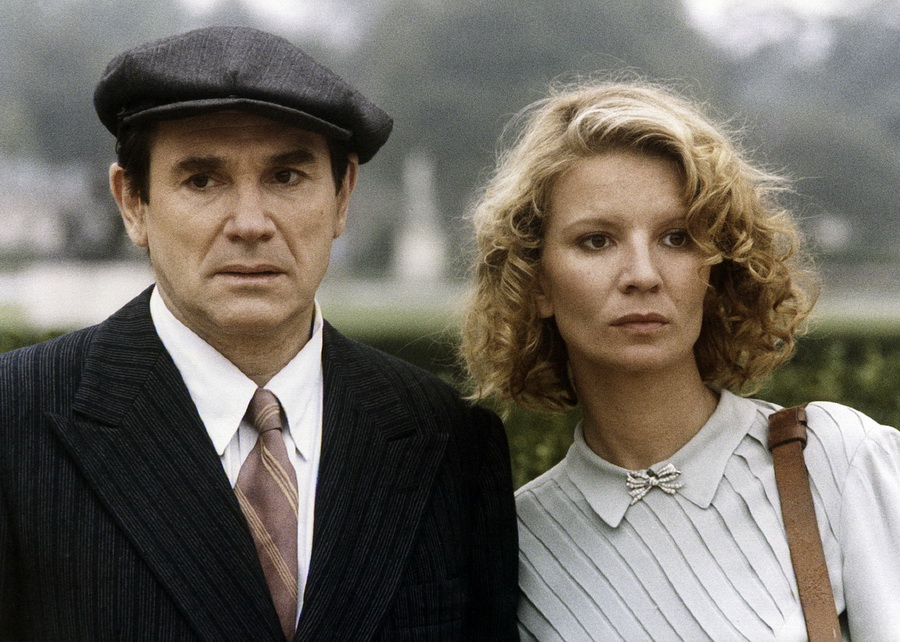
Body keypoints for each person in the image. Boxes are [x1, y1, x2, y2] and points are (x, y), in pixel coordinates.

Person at [0, 26, 518, 641]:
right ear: (133, 203)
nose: (250, 223)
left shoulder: (451, 441)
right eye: (202, 180)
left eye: (286, 177)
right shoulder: (15, 420)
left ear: (343, 196)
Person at [460, 79, 900, 640]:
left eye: (676, 238)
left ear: (716, 268)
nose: (642, 275)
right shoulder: (520, 545)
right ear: (537, 281)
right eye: (596, 241)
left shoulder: (835, 460)